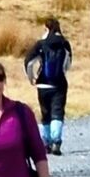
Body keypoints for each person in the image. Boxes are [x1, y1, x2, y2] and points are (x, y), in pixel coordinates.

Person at [25, 13, 75, 152]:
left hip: (42, 84)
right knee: (57, 111)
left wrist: (32, 78)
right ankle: (56, 140)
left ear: (46, 28)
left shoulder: (40, 44)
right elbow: (68, 63)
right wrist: (62, 72)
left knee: (45, 113)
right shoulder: (65, 43)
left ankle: (46, 141)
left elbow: (29, 62)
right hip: (59, 83)